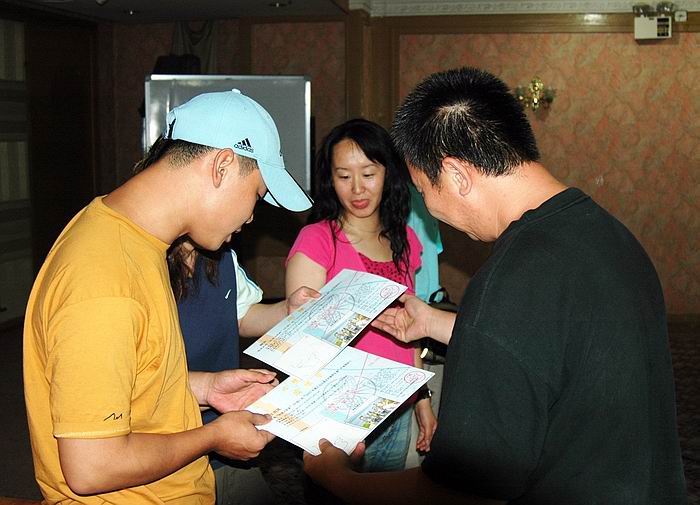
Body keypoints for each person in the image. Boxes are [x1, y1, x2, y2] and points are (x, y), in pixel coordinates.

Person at [302, 67, 687, 504]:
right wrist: (435, 323)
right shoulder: (606, 232)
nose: (428, 206)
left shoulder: (511, 279)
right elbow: (559, 346)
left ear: (456, 174)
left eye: (424, 190)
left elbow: (458, 494)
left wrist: (338, 478)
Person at [23, 89, 312, 504]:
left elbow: (132, 380)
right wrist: (213, 436)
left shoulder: (129, 238)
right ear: (222, 166)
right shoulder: (105, 280)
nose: (251, 215)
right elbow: (92, 468)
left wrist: (206, 387)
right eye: (256, 193)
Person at [285, 118, 437, 472]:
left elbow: (410, 331)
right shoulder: (318, 239)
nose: (357, 189)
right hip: (338, 413)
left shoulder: (405, 240)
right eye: (344, 176)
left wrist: (422, 401)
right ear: (330, 179)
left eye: (368, 174)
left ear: (388, 174)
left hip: (396, 408)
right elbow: (301, 344)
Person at [168, 237, 318, 505]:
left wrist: (287, 310)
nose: (249, 219)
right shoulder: (141, 265)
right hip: (166, 446)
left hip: (229, 430)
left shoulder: (222, 256)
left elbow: (241, 315)